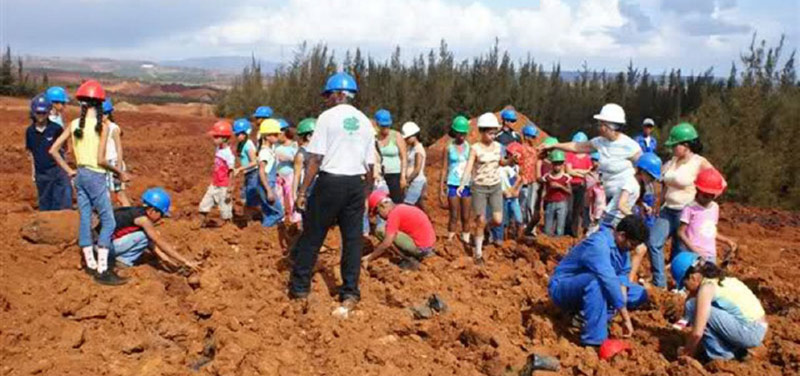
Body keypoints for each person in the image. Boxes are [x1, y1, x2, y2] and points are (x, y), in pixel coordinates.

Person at [290, 72, 376, 310]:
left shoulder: (326, 118)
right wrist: (365, 194)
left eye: (329, 95)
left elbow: (316, 158)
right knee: (352, 240)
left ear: (339, 95)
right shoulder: (365, 122)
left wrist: (302, 192)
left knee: (313, 235)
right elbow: (370, 166)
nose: (327, 99)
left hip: (331, 182)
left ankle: (299, 289)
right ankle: (350, 292)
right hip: (355, 185)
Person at [49, 80, 129, 285]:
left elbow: (53, 150)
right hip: (96, 175)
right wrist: (120, 172)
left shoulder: (75, 124)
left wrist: (70, 171)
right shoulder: (102, 127)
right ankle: (103, 270)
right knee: (108, 220)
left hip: (81, 175)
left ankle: (90, 264)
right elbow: (102, 160)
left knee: (85, 217)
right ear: (100, 103)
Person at [548, 216, 650, 346]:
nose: (632, 249)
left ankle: (590, 314)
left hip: (598, 285)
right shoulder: (598, 244)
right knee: (598, 283)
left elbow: (623, 273)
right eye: (632, 244)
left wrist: (623, 288)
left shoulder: (622, 248)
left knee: (638, 292)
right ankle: (593, 340)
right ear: (622, 235)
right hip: (565, 288)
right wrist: (625, 317)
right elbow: (608, 279)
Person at [542, 104, 641, 228]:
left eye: (601, 123)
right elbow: (577, 147)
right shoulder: (600, 142)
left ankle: (640, 241)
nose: (598, 127)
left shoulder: (629, 146)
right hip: (610, 194)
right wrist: (555, 146)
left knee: (607, 229)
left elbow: (642, 168)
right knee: (612, 231)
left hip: (623, 195)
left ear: (610, 126)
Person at [647, 122, 714, 288]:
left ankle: (680, 287)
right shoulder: (672, 161)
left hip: (686, 213)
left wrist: (703, 204)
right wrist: (659, 202)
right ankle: (660, 283)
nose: (672, 149)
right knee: (653, 242)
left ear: (686, 144)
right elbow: (665, 185)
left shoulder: (699, 162)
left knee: (680, 254)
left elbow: (717, 183)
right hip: (668, 210)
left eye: (675, 145)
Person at [671, 252, 767, 361]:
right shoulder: (718, 278)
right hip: (756, 328)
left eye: (684, 285)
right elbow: (691, 303)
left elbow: (697, 333)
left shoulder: (706, 288)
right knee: (697, 306)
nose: (686, 289)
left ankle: (722, 356)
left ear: (693, 277)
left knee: (697, 310)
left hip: (749, 331)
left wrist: (686, 352)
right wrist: (680, 324)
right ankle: (738, 351)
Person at [111, 187, 199, 272]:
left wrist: (167, 260)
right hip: (106, 247)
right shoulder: (144, 220)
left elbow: (152, 245)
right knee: (145, 236)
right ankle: (122, 263)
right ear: (152, 210)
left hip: (103, 244)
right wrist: (185, 261)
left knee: (146, 235)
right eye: (161, 214)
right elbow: (159, 242)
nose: (160, 218)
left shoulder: (136, 212)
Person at [458, 112, 503, 264]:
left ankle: (485, 229)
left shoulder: (498, 147)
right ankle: (478, 253)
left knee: (497, 220)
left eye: (494, 133)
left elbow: (501, 162)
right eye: (490, 133)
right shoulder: (475, 148)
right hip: (479, 187)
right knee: (480, 219)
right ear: (482, 132)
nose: (493, 136)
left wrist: (511, 161)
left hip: (495, 186)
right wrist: (463, 183)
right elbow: (469, 166)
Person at [677, 168, 737, 264]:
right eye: (705, 195)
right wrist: (694, 250)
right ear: (698, 190)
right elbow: (681, 233)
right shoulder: (690, 208)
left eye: (712, 196)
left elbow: (711, 232)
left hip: (710, 255)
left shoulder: (715, 207)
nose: (708, 199)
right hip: (693, 256)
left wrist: (727, 241)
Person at [363, 190, 435, 269]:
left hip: (421, 249)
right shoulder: (401, 208)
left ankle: (408, 260)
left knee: (380, 231)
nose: (379, 216)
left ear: (382, 206)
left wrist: (369, 258)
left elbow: (387, 243)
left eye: (378, 212)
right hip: (429, 246)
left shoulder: (394, 214)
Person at [25, 94, 72, 211]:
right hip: (41, 173)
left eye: (44, 113)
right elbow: (31, 153)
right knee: (45, 204)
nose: (41, 116)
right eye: (38, 113)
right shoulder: (29, 131)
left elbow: (64, 148)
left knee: (59, 203)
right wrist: (33, 172)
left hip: (56, 172)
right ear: (33, 112)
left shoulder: (56, 129)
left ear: (48, 112)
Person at [439, 115, 472, 244]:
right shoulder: (448, 148)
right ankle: (451, 239)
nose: (462, 136)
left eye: (464, 133)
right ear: (455, 132)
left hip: (467, 184)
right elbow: (444, 168)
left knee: (466, 216)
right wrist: (441, 188)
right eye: (459, 133)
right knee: (453, 215)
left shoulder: (470, 148)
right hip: (452, 183)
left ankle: (466, 240)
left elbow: (473, 166)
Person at [198, 121, 235, 227]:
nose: (213, 139)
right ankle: (200, 224)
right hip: (214, 184)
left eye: (216, 137)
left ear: (224, 138)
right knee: (204, 205)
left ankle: (228, 229)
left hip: (224, 186)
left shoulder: (228, 154)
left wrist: (230, 186)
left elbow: (231, 171)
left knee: (225, 210)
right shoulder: (218, 149)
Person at [101, 98, 131, 206]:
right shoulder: (101, 128)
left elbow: (119, 148)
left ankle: (128, 215)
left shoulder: (114, 128)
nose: (102, 116)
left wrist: (118, 168)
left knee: (119, 193)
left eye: (104, 113)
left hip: (113, 163)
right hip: (105, 164)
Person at [375, 109, 408, 203]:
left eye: (387, 125)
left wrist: (403, 176)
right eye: (383, 126)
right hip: (381, 176)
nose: (385, 128)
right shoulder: (375, 138)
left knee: (396, 202)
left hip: (395, 175)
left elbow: (403, 157)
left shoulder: (396, 136)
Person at [256, 119, 285, 228]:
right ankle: (263, 231)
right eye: (275, 134)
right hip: (266, 185)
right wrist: (269, 191)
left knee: (268, 212)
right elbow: (262, 172)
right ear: (267, 136)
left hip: (268, 184)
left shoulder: (269, 150)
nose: (278, 137)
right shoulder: (264, 152)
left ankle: (265, 233)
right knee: (279, 213)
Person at [231, 118, 260, 220]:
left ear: (246, 133)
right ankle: (250, 215)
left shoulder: (248, 145)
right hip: (248, 173)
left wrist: (240, 168)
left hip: (253, 173)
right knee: (245, 195)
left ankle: (250, 216)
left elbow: (254, 162)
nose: (237, 136)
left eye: (239, 134)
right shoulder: (242, 144)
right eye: (236, 134)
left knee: (250, 195)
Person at [565, 132, 592, 237]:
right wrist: (581, 172)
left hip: (581, 185)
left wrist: (575, 171)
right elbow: (568, 171)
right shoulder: (570, 155)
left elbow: (589, 171)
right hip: (570, 184)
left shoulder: (587, 158)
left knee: (577, 210)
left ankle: (574, 232)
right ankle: (566, 229)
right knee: (569, 209)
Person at [292, 118, 317, 229]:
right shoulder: (301, 154)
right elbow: (296, 175)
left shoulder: (318, 152)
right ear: (309, 136)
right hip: (308, 190)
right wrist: (294, 195)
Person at [275, 120, 301, 224]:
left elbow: (297, 161)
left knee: (290, 196)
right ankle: (280, 217)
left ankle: (295, 218)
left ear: (283, 133)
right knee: (279, 197)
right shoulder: (277, 146)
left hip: (290, 175)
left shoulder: (293, 146)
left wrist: (288, 158)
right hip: (279, 175)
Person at [499, 144, 525, 240]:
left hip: (514, 197)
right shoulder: (502, 168)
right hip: (504, 196)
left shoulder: (517, 168)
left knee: (519, 218)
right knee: (505, 220)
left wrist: (515, 190)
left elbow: (521, 179)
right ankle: (505, 239)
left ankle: (519, 239)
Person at [543, 150, 571, 236]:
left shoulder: (566, 178)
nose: (557, 167)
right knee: (547, 228)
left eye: (559, 164)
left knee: (560, 228)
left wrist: (560, 186)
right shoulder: (547, 177)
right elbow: (544, 190)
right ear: (552, 164)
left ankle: (558, 245)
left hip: (561, 203)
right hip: (550, 202)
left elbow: (569, 191)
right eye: (555, 164)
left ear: (562, 165)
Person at [518, 124, 540, 228]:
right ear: (527, 137)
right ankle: (521, 225)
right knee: (522, 204)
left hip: (533, 181)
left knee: (531, 205)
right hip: (523, 181)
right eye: (533, 137)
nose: (535, 139)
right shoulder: (520, 149)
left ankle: (530, 227)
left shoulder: (535, 150)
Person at [402, 122, 427, 212]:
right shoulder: (411, 148)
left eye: (408, 137)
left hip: (416, 181)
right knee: (418, 205)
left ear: (414, 136)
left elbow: (417, 169)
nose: (406, 140)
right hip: (414, 181)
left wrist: (407, 181)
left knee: (408, 205)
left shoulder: (418, 149)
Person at [634, 152, 662, 229]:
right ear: (643, 172)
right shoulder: (632, 184)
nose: (653, 180)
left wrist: (645, 206)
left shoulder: (647, 184)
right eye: (652, 176)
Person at [585, 153, 606, 235]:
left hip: (602, 204)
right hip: (591, 202)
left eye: (596, 160)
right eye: (593, 160)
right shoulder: (589, 174)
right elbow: (588, 186)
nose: (594, 162)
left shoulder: (605, 174)